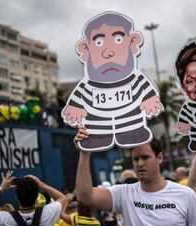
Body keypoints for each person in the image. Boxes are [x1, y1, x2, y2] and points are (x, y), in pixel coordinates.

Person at [74, 126, 196, 226]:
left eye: (145, 157)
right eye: (136, 159)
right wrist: (84, 152)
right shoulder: (124, 193)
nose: (140, 163)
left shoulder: (185, 194)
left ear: (159, 158)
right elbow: (85, 196)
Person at [61, 12, 163, 151]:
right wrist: (75, 107)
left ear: (133, 42)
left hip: (132, 126)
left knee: (134, 132)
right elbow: (78, 97)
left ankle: (134, 131)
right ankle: (98, 138)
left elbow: (147, 91)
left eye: (118, 40)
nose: (108, 52)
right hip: (97, 131)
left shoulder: (136, 78)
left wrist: (150, 100)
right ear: (85, 49)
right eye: (99, 42)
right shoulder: (87, 85)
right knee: (97, 137)